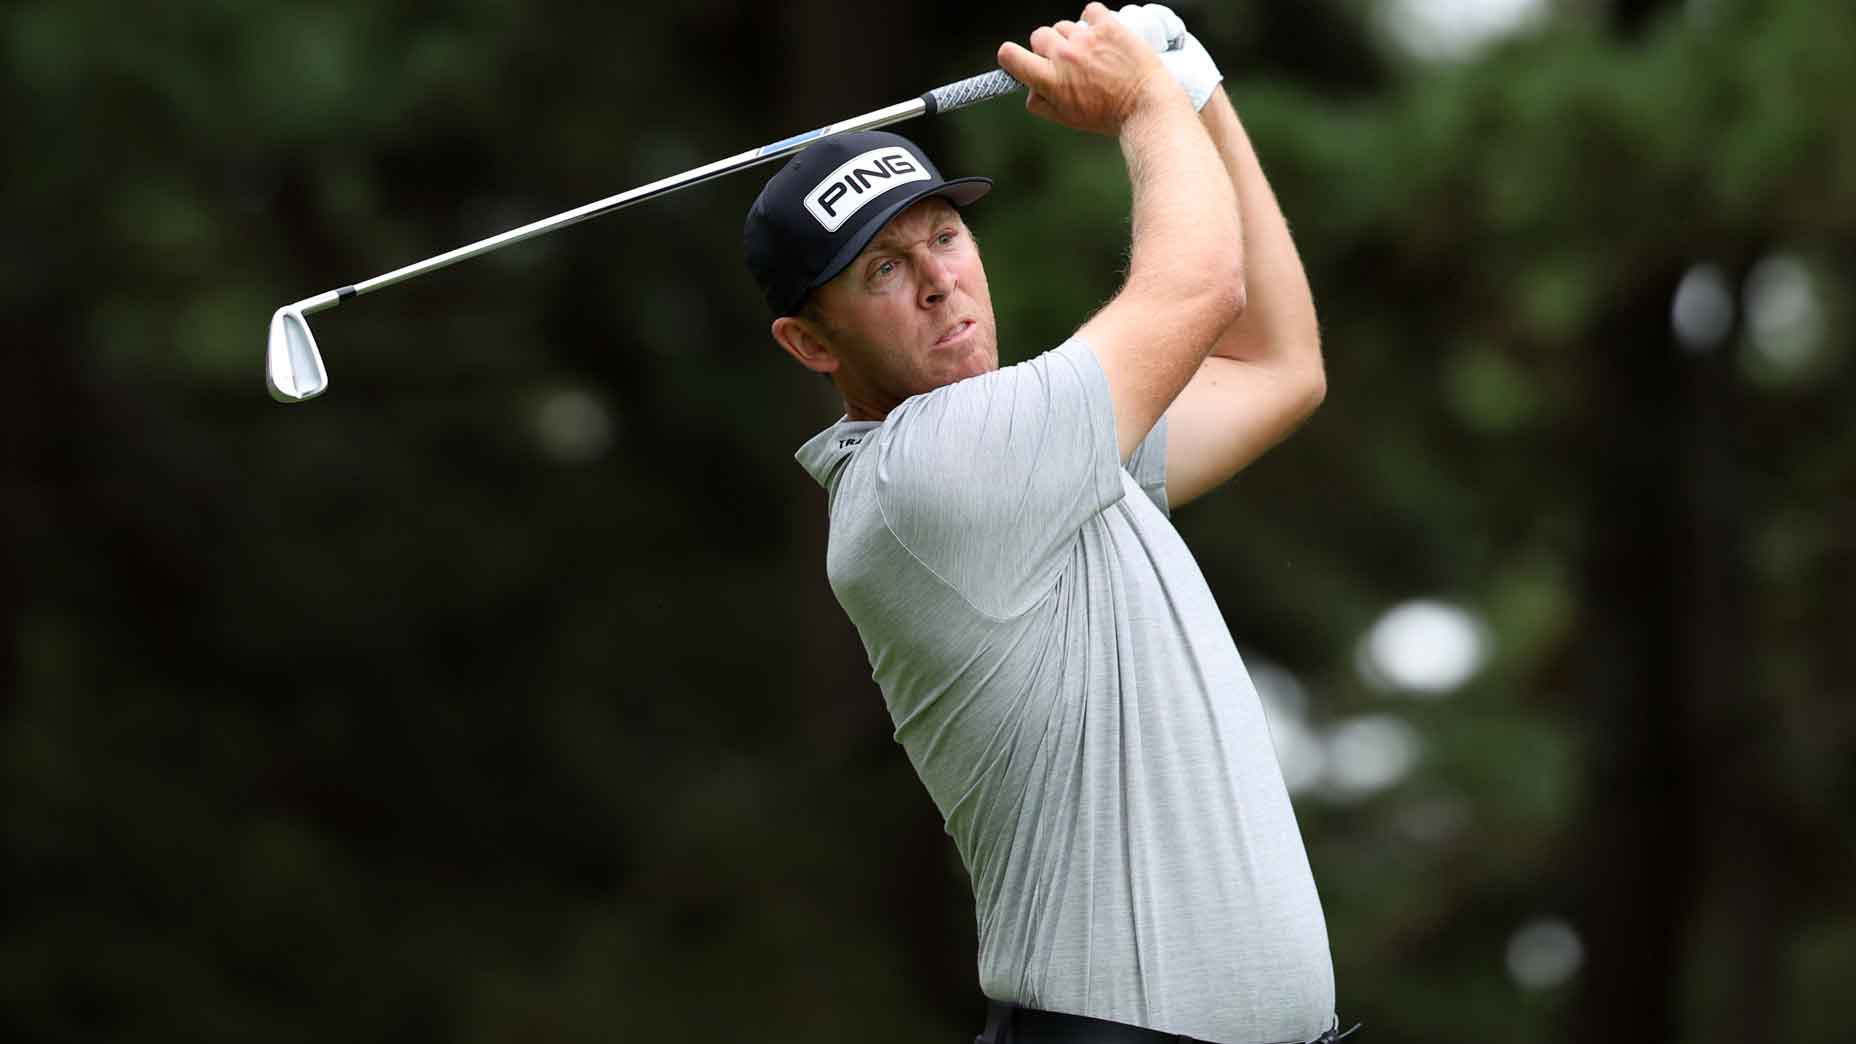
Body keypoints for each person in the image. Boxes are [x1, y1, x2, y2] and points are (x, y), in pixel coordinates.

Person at [743, 5, 1349, 1042]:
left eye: (943, 234)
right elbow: (1200, 285)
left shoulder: (1043, 454)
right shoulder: (933, 471)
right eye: (883, 270)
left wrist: (1202, 103)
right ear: (809, 344)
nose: (940, 281)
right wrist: (1147, 103)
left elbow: (1274, 368)